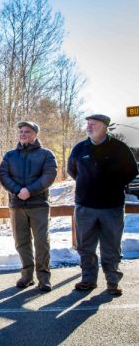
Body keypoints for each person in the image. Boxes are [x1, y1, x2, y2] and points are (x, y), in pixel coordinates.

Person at [68, 114, 138, 296]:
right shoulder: (79, 148)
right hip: (85, 206)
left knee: (111, 246)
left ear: (105, 127)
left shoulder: (119, 148)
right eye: (88, 124)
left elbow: (132, 171)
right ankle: (88, 280)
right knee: (85, 246)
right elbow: (72, 170)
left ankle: (113, 282)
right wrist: (89, 185)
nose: (89, 126)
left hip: (112, 207)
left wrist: (112, 184)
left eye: (94, 124)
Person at [0, 121, 57, 292]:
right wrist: (18, 190)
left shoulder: (46, 154)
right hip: (17, 205)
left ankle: (44, 278)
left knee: (41, 243)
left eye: (28, 131)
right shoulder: (10, 155)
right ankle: (27, 275)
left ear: (36, 134)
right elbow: (3, 175)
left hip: (38, 205)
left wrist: (30, 191)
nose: (23, 134)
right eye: (21, 131)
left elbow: (49, 175)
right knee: (21, 242)